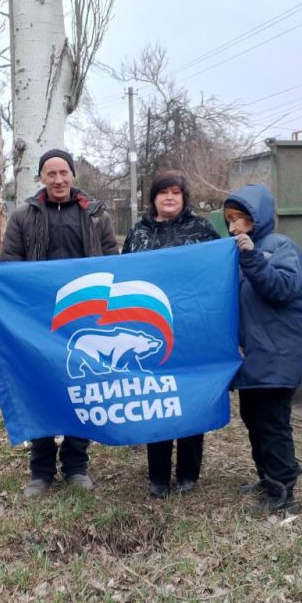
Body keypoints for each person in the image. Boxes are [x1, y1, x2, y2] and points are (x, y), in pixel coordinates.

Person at [0, 148, 118, 498]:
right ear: (41, 178)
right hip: (39, 322)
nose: (58, 179)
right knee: (43, 389)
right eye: (50, 174)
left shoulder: (96, 215)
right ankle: (41, 470)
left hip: (86, 318)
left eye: (63, 172)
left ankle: (77, 466)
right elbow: (9, 266)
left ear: (73, 175)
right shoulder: (24, 217)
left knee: (82, 389)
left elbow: (114, 261)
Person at [121, 171, 220, 499]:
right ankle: (158, 476)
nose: (169, 198)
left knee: (190, 399)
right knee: (156, 400)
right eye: (163, 193)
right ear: (153, 199)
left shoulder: (203, 230)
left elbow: (219, 274)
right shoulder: (139, 233)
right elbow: (124, 278)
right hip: (151, 331)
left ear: (184, 198)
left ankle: (189, 473)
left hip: (192, 331)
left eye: (176, 193)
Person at [223, 183, 302, 513]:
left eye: (239, 219)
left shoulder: (281, 247)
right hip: (253, 357)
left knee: (273, 425)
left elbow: (281, 288)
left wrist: (252, 258)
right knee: (254, 419)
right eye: (229, 220)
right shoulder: (243, 251)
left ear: (255, 218)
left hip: (277, 356)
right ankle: (267, 478)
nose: (233, 227)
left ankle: (284, 492)